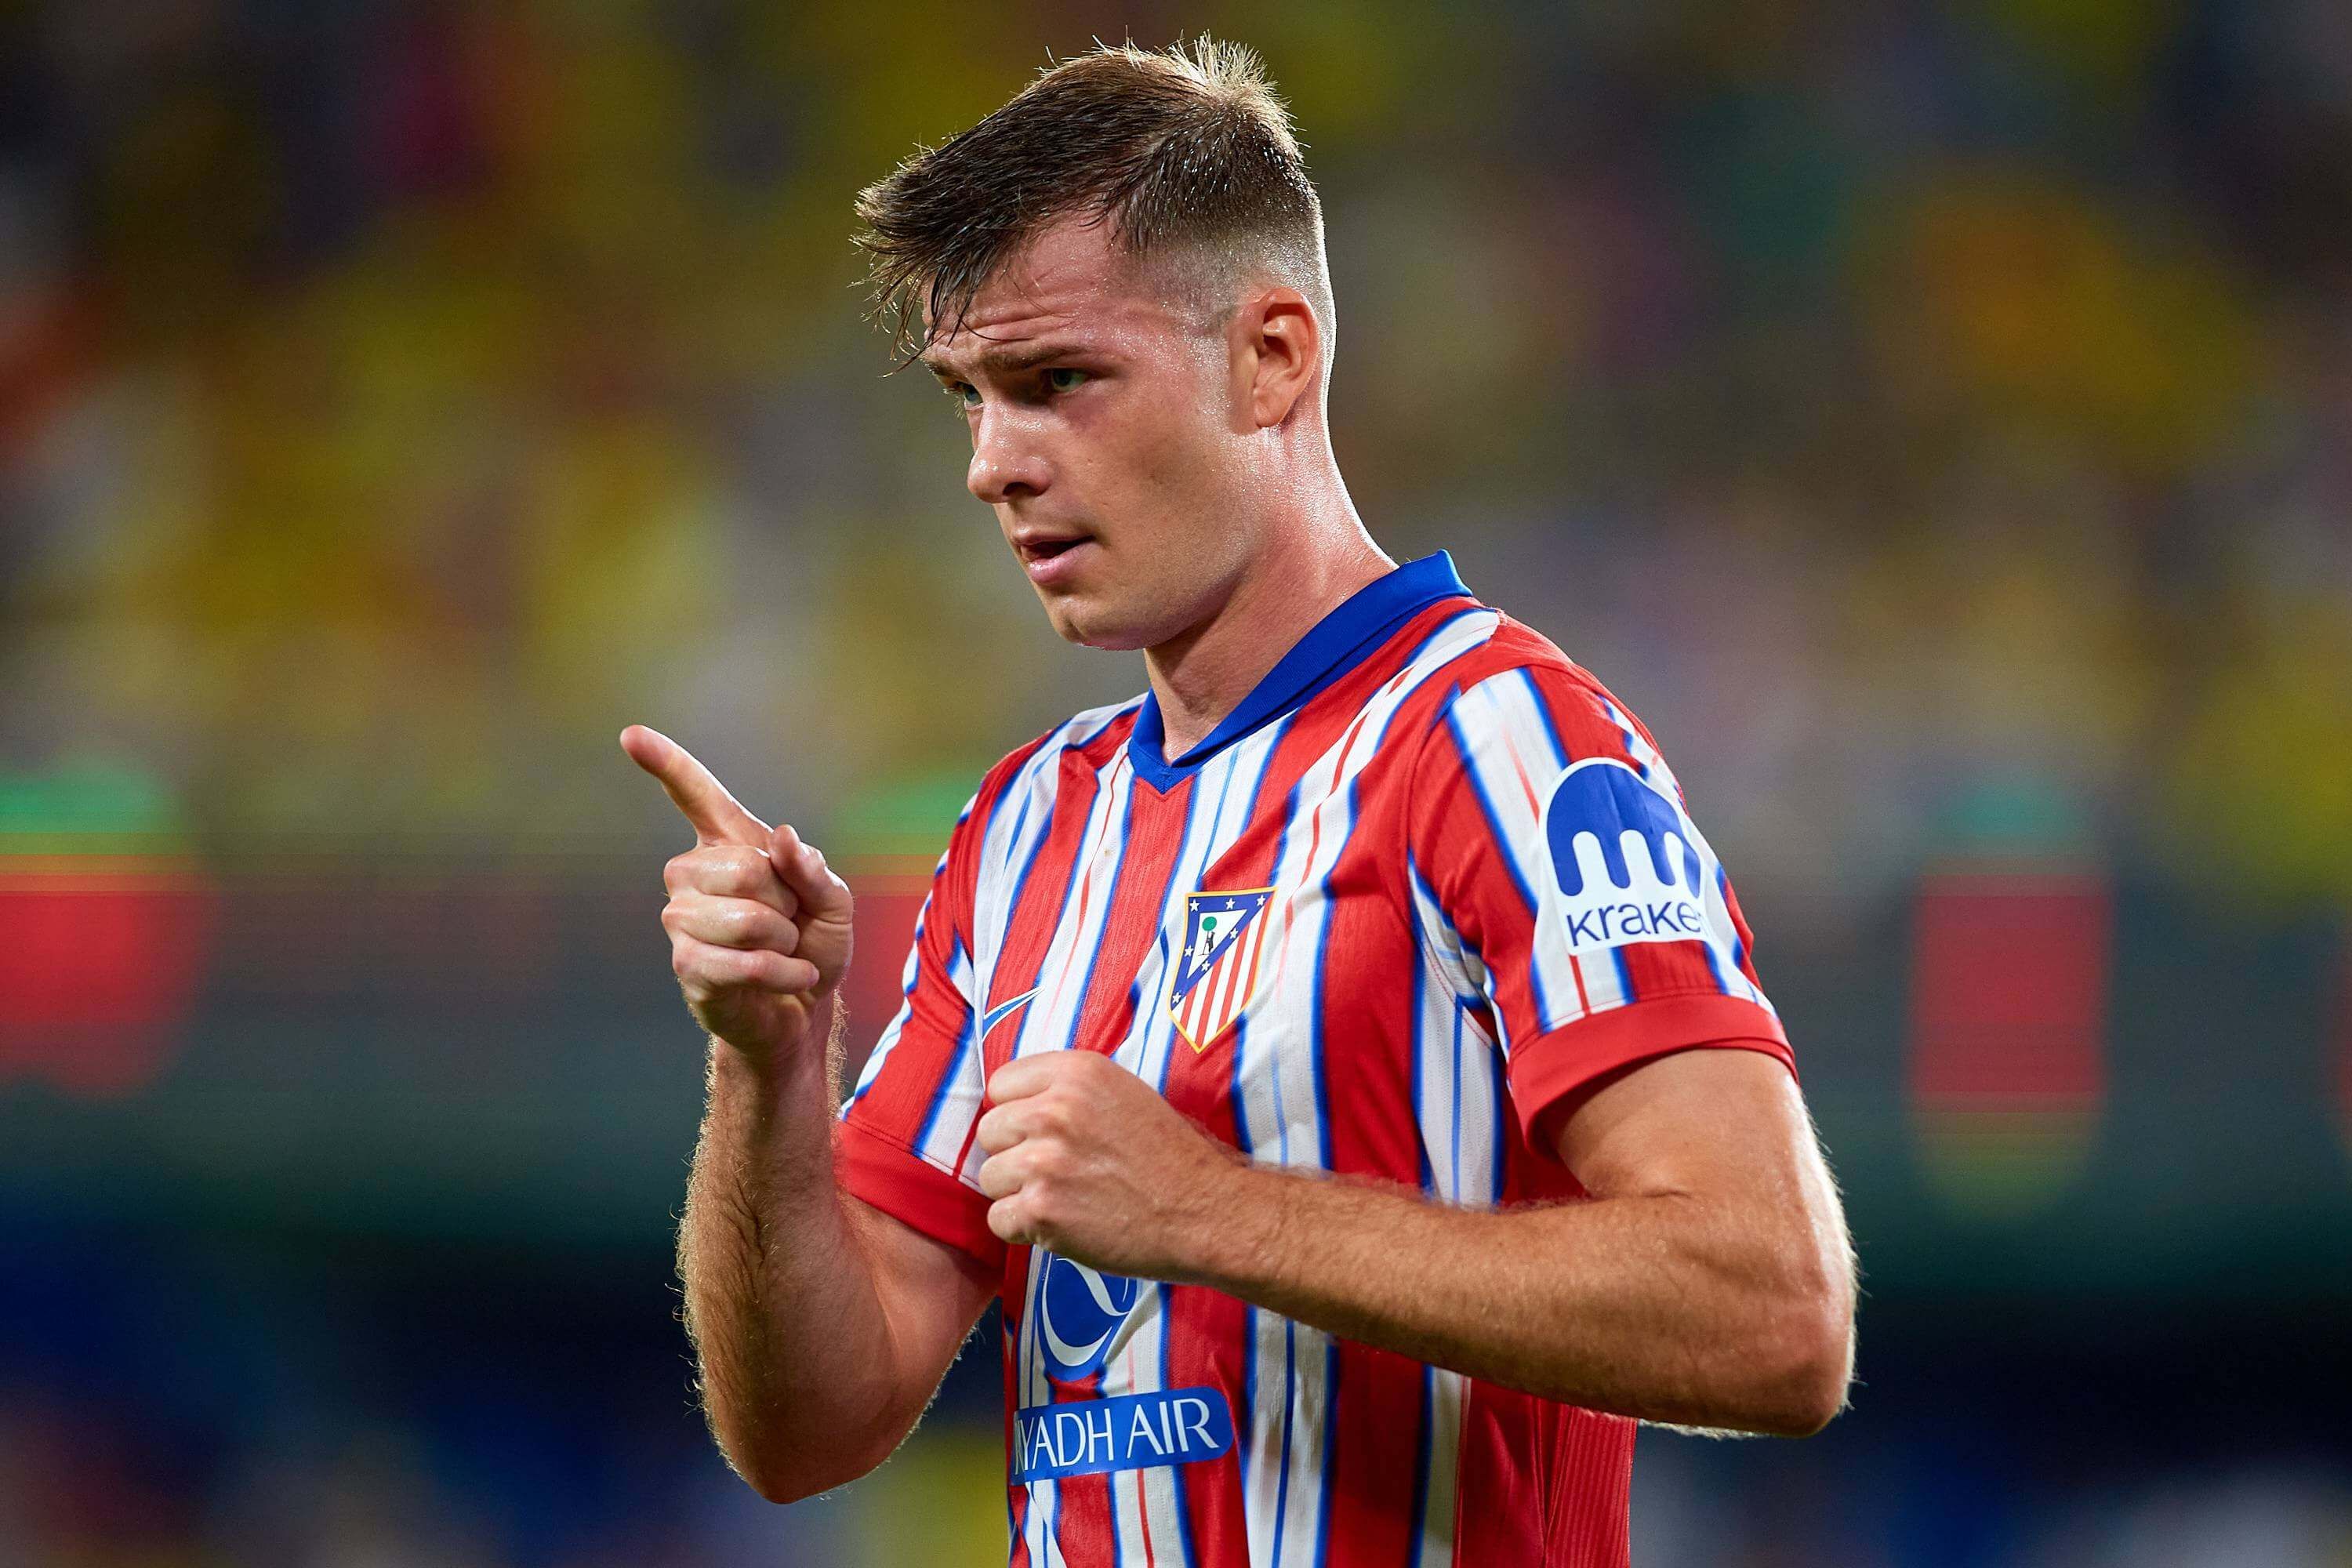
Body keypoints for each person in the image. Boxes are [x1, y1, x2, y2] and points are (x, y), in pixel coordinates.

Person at [621, 37, 1853, 1568]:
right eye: (970, 399)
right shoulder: (1024, 832)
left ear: (1271, 357)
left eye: (1057, 381)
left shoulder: (1502, 742)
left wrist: (1213, 1213)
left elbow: (1777, 1312)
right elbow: (805, 1426)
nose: (993, 465)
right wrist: (769, 1070)